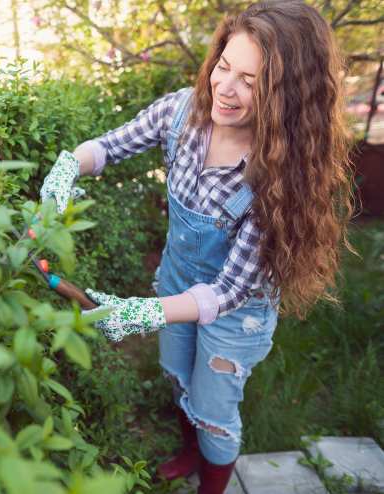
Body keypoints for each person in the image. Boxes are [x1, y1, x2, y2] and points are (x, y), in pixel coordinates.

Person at [39, 2, 355, 493]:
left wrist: (144, 313)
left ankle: (212, 480)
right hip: (177, 281)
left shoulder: (278, 177)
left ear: (286, 96)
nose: (225, 89)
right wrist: (67, 166)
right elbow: (108, 147)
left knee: (215, 410)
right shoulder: (181, 113)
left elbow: (227, 291)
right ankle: (190, 450)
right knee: (177, 375)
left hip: (234, 315)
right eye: (224, 67)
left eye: (251, 81)